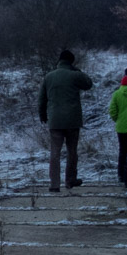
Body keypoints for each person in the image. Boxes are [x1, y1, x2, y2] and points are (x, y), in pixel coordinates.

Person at [37, 49, 94, 192]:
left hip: (55, 120)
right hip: (72, 120)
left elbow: (41, 99)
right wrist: (77, 70)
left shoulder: (48, 77)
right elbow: (88, 83)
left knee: (55, 153)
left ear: (59, 61)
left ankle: (54, 184)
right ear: (71, 62)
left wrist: (43, 114)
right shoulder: (75, 75)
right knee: (72, 151)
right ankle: (70, 180)